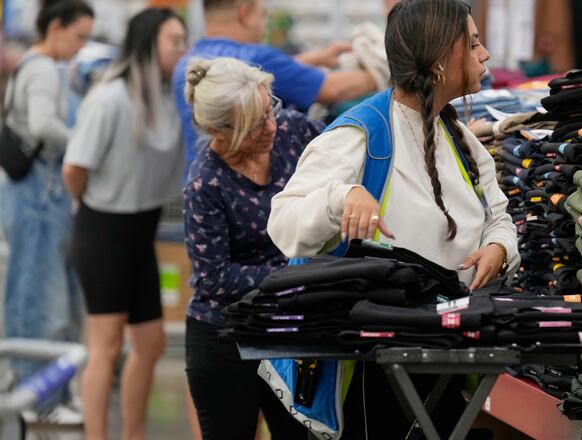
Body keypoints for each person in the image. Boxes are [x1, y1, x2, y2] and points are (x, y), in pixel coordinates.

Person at [267, 0, 518, 437]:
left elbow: (498, 216)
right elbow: (283, 221)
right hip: (371, 365)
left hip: (443, 351)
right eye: (474, 44)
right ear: (441, 60)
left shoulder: (459, 138)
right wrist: (342, 197)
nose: (486, 55)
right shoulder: (361, 132)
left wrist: (499, 248)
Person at [182, 56, 325, 439]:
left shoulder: (295, 134)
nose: (271, 126)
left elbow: (352, 153)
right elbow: (214, 277)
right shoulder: (205, 184)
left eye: (270, 109)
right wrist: (297, 275)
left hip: (291, 331)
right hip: (225, 340)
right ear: (219, 130)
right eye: (255, 123)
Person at [61, 8, 187, 440]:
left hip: (140, 232)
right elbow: (74, 169)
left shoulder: (171, 98)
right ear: (149, 43)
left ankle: (133, 434)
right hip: (102, 230)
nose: (182, 50)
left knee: (150, 344)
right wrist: (91, 206)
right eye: (175, 41)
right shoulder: (110, 97)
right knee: (106, 346)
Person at [0, 0, 93, 425]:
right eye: (78, 37)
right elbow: (41, 125)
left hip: (40, 198)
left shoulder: (41, 67)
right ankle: (41, 398)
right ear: (55, 27)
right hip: (38, 199)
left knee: (33, 290)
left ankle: (29, 383)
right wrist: (83, 145)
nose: (80, 47)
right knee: (42, 297)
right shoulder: (40, 69)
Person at [173, 0, 379, 168]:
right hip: (257, 188)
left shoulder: (189, 66)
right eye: (263, 16)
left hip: (203, 187)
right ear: (245, 13)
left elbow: (275, 72)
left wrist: (315, 58)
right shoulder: (256, 57)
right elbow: (333, 88)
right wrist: (385, 66)